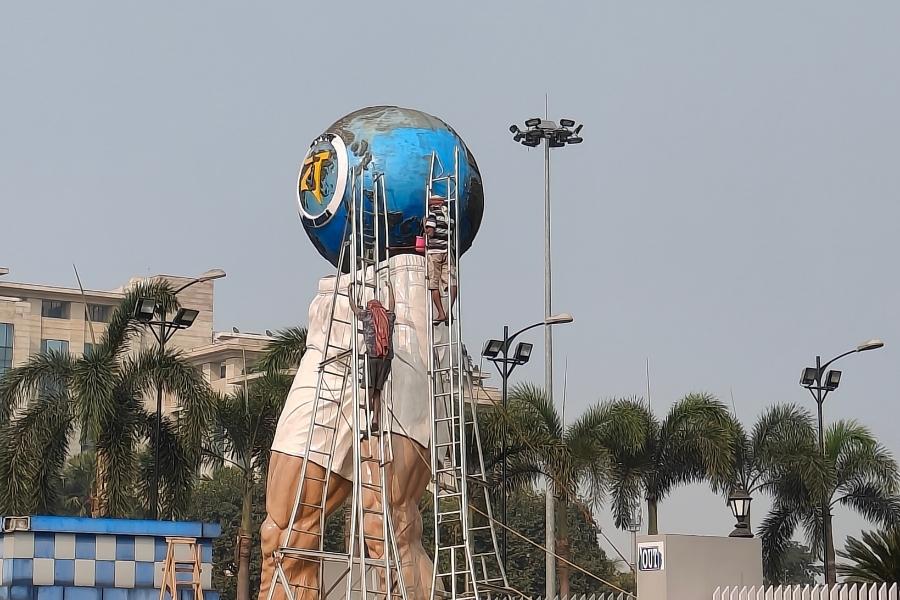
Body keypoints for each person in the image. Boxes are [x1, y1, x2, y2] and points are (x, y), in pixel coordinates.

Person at [349, 280, 396, 436]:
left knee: (369, 390)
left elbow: (355, 309)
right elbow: (392, 305)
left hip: (372, 356)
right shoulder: (387, 316)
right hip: (386, 358)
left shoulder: (368, 315)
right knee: (378, 390)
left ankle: (367, 412)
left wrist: (350, 293)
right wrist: (390, 289)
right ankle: (375, 418)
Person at [424, 194, 456, 325]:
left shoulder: (433, 215)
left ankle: (441, 313)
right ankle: (450, 311)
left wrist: (424, 225)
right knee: (451, 282)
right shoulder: (450, 219)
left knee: (434, 284)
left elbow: (430, 233)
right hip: (448, 252)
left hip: (435, 253)